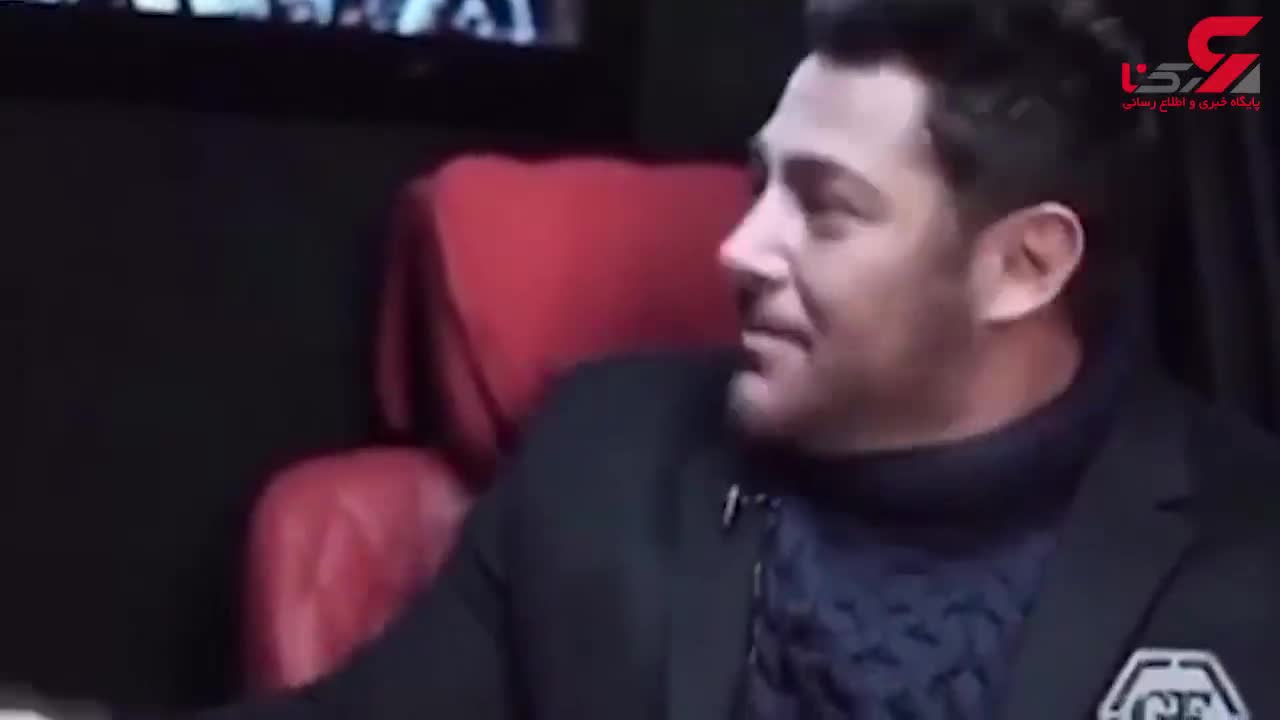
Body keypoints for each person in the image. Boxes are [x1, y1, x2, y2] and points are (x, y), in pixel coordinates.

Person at [6, 0, 1280, 717]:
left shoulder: (1246, 549)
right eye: (758, 183)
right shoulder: (604, 458)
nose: (738, 246)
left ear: (1023, 265)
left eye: (824, 208)